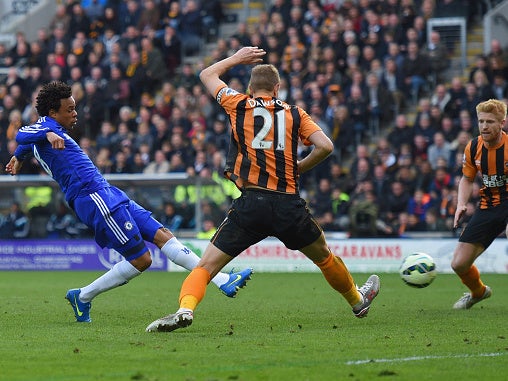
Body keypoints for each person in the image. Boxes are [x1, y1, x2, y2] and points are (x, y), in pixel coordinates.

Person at [145, 46, 380, 333]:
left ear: (249, 87)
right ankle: (357, 300)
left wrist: (236, 58)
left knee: (205, 267)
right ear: (277, 88)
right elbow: (326, 146)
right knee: (324, 257)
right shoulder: (295, 113)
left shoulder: (237, 103)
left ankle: (185, 309)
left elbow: (206, 74)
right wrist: (299, 167)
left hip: (252, 202)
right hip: (287, 205)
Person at [5, 81, 253, 323]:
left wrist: (18, 157)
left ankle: (222, 280)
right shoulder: (44, 130)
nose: (75, 113)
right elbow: (21, 133)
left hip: (108, 192)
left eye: (75, 107)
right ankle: (83, 295)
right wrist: (45, 134)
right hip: (93, 198)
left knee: (163, 235)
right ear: (52, 113)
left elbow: (26, 143)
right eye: (69, 109)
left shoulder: (45, 133)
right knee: (142, 260)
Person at [451, 98, 507, 310]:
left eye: (490, 121)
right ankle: (478, 292)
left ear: (502, 123)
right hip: (489, 206)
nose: (484, 126)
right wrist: (461, 204)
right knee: (458, 263)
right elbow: (467, 179)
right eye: (481, 121)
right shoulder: (473, 146)